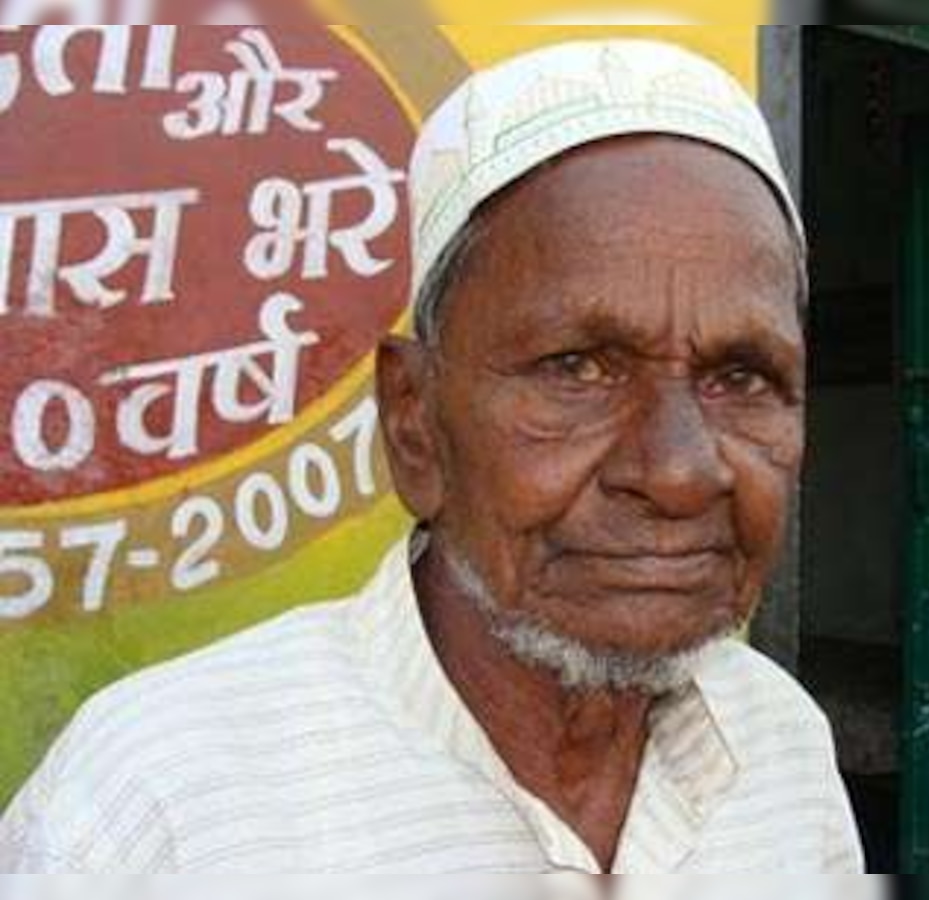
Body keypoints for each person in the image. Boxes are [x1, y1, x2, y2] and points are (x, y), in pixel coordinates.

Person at [0, 39, 863, 874]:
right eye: (577, 370)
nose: (679, 473)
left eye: (742, 377)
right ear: (413, 421)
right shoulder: (157, 804)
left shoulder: (780, 744)